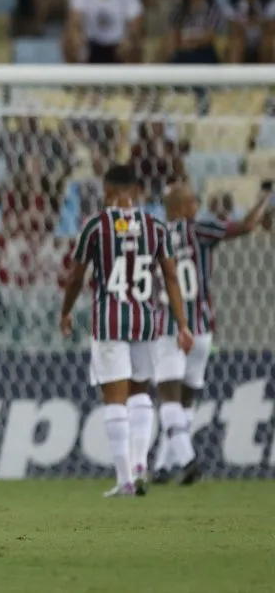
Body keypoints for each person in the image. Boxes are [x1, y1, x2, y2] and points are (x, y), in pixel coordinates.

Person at [59, 164, 193, 497]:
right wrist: (183, 324)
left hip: (110, 319)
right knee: (141, 395)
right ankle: (139, 463)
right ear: (136, 192)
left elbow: (76, 276)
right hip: (146, 320)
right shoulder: (156, 228)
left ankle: (125, 479)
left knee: (114, 399)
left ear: (106, 191)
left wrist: (65, 311)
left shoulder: (96, 226)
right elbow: (172, 278)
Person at [151, 183, 270, 485]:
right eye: (192, 201)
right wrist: (264, 198)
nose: (197, 205)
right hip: (201, 328)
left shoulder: (154, 236)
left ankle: (186, 459)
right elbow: (245, 226)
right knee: (186, 399)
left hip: (169, 327)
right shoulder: (200, 229)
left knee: (169, 398)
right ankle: (165, 465)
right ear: (178, 207)